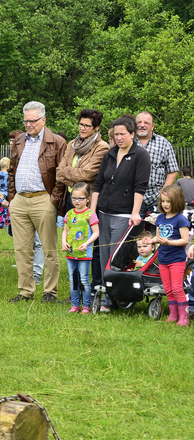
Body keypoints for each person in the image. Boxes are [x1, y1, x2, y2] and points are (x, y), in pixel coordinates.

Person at [7, 101, 67, 303]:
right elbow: (12, 170)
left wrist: (53, 199)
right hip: (20, 200)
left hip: (43, 199)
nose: (28, 124)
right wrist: (12, 198)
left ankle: (50, 292)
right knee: (22, 250)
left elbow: (61, 174)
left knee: (49, 249)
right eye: (26, 121)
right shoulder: (19, 140)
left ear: (43, 120)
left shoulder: (57, 142)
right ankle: (26, 291)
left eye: (33, 120)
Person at [90, 116, 150, 313]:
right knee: (104, 256)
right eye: (116, 134)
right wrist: (92, 212)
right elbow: (99, 184)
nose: (119, 138)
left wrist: (135, 212)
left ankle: (117, 298)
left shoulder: (140, 155)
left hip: (124, 215)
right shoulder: (110, 154)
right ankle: (107, 296)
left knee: (115, 257)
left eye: (122, 134)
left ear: (132, 134)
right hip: (103, 213)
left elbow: (140, 186)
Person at [55, 108, 111, 299]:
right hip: (72, 201)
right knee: (74, 244)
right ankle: (76, 292)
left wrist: (68, 172)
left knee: (91, 247)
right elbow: (59, 172)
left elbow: (89, 174)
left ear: (96, 128)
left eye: (87, 125)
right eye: (81, 124)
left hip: (91, 203)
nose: (83, 128)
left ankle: (94, 288)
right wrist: (74, 175)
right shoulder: (72, 144)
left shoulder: (101, 147)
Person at [143, 185, 190, 326]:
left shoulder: (180, 219)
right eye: (163, 201)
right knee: (168, 289)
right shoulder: (160, 218)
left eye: (168, 201)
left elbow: (185, 240)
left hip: (176, 260)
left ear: (177, 201)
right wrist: (151, 240)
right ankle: (173, 316)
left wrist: (169, 242)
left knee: (177, 288)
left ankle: (184, 318)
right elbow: (158, 237)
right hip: (163, 259)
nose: (165, 204)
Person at [61, 183, 99, 314]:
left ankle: (86, 305)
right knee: (73, 279)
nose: (77, 201)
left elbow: (96, 233)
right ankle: (75, 305)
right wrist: (63, 242)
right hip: (71, 252)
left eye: (80, 198)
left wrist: (87, 243)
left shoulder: (91, 214)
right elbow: (65, 230)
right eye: (74, 198)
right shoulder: (69, 214)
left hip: (84, 253)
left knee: (84, 279)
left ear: (88, 199)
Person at [135, 111, 179, 218]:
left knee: (158, 227)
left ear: (152, 126)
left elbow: (173, 170)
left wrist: (163, 191)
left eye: (146, 123)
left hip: (156, 198)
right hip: (133, 198)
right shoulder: (129, 142)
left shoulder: (164, 143)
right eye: (139, 122)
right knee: (133, 228)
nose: (142, 125)